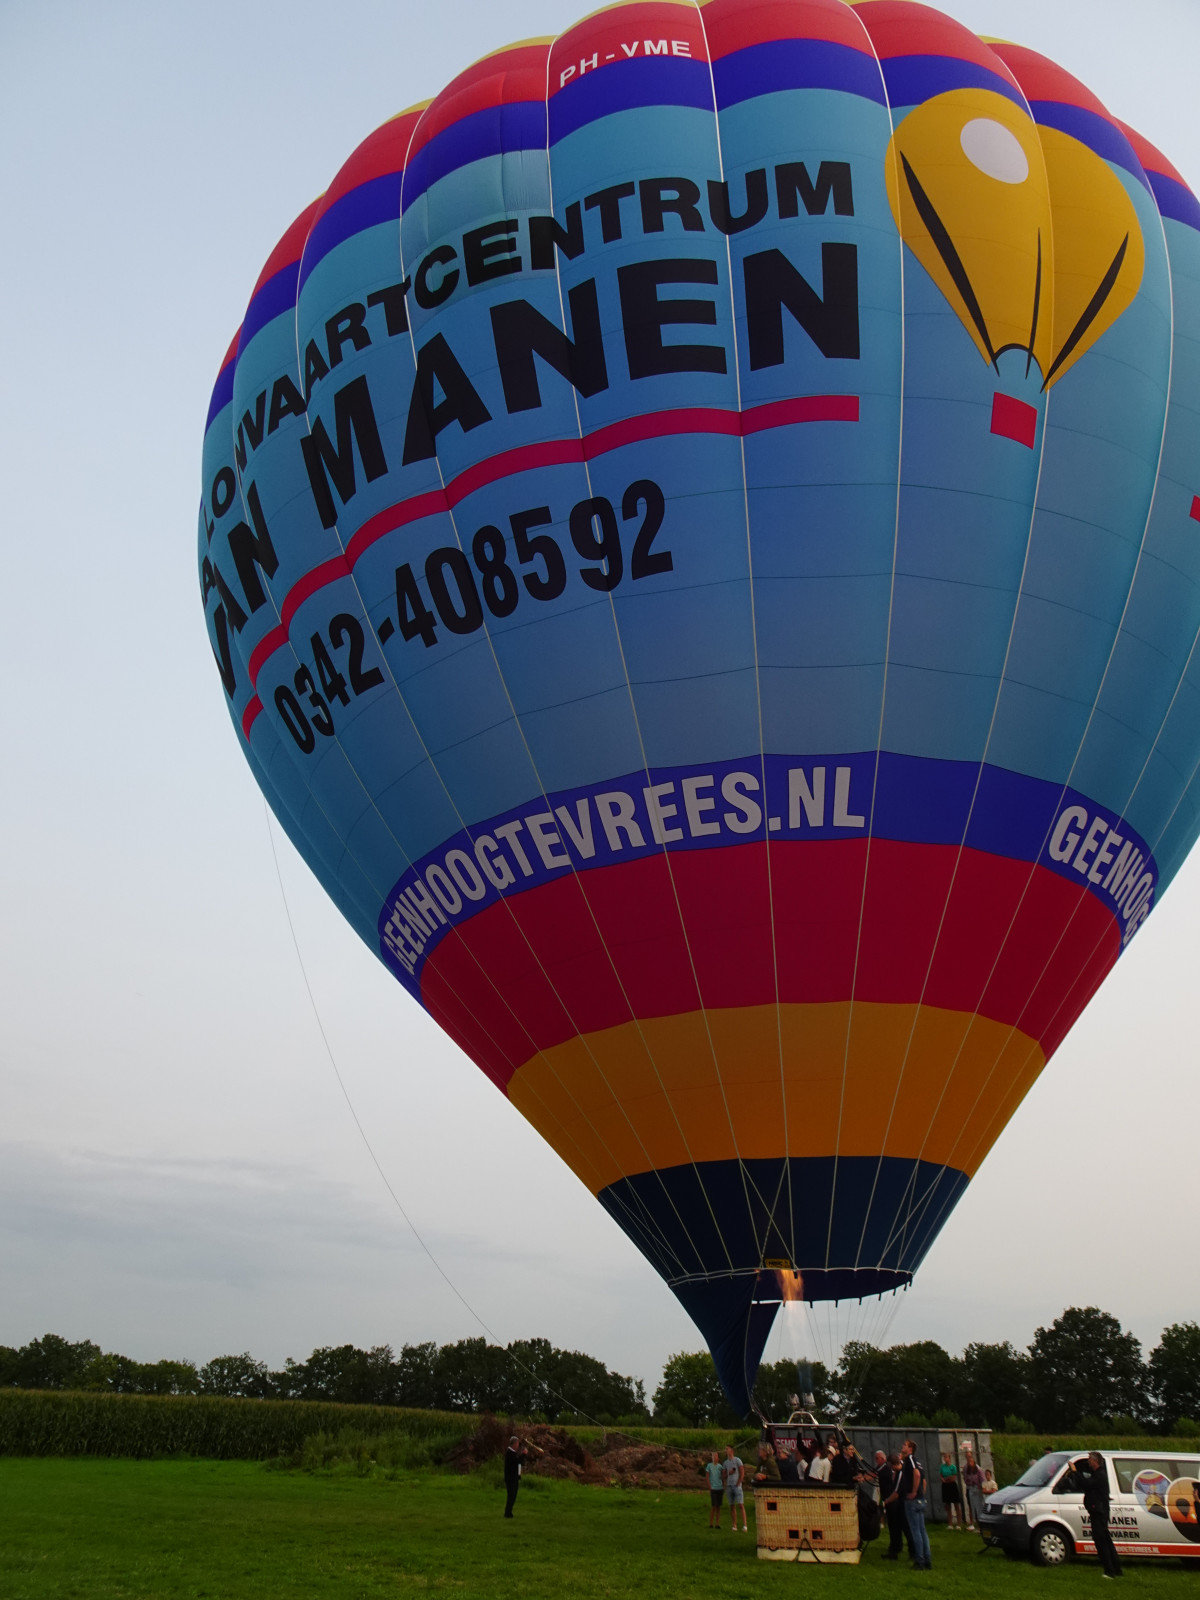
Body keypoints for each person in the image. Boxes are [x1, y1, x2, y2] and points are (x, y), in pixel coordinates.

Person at [1073, 1453, 1122, 1578]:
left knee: (1101, 1541)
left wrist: (1075, 1472)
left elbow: (1086, 1483)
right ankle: (1116, 1569)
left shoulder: (1100, 1475)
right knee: (1106, 1540)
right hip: (1099, 1511)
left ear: (1095, 1461)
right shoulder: (1097, 1474)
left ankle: (1109, 1571)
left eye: (1090, 1459)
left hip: (1099, 1512)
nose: (1088, 1462)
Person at [901, 1438, 932, 1569]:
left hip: (912, 1500)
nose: (902, 1446)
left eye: (905, 1445)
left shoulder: (911, 1460)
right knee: (922, 1530)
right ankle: (927, 1559)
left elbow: (917, 1475)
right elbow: (924, 1481)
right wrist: (921, 1493)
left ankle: (919, 1560)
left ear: (910, 1449)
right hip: (920, 1500)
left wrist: (914, 1492)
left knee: (916, 1531)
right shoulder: (918, 1461)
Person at [879, 1451, 915, 1561]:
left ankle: (912, 1552)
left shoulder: (900, 1474)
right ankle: (895, 1550)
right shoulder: (902, 1470)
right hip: (902, 1504)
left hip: (902, 1505)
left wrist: (886, 1501)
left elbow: (896, 1493)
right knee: (898, 1528)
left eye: (890, 1466)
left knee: (905, 1529)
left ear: (893, 1465)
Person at [723, 1444, 748, 1532]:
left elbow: (742, 1472)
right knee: (732, 1506)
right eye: (725, 1449)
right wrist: (728, 1473)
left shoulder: (737, 1460)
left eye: (727, 1449)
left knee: (740, 1505)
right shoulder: (725, 1463)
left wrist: (738, 1483)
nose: (726, 1450)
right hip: (729, 1486)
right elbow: (723, 1475)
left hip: (737, 1486)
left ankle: (745, 1525)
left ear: (732, 1450)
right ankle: (734, 1525)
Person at [503, 1436, 528, 1518]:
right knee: (511, 1495)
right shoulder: (510, 1453)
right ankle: (507, 1513)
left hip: (514, 1477)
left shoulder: (513, 1453)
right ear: (513, 1444)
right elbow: (516, 1462)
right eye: (517, 1443)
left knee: (513, 1495)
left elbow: (519, 1462)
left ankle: (509, 1511)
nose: (518, 1445)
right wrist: (523, 1454)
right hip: (510, 1478)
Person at [700, 1450, 725, 1528]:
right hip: (713, 1488)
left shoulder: (720, 1466)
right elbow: (707, 1476)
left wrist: (723, 1485)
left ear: (718, 1458)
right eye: (713, 1456)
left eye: (715, 1456)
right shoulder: (709, 1466)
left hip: (720, 1488)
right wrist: (709, 1486)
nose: (714, 1457)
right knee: (713, 1506)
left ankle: (717, 1524)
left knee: (718, 1507)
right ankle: (711, 1523)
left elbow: (723, 1477)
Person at [941, 1450, 964, 1528]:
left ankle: (959, 1524)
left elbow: (953, 1477)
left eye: (946, 1457)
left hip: (952, 1486)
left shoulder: (953, 1467)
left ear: (949, 1458)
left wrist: (947, 1478)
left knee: (956, 1504)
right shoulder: (942, 1467)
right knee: (948, 1505)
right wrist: (944, 1479)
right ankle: (950, 1524)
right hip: (945, 1486)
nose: (945, 1459)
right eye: (944, 1457)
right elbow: (941, 1475)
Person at [963, 1451, 985, 1530]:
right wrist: (968, 1483)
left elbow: (982, 1479)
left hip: (977, 1488)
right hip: (970, 1488)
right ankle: (973, 1523)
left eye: (970, 1457)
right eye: (967, 1457)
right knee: (972, 1506)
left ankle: (980, 1525)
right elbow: (965, 1478)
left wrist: (981, 1487)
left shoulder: (978, 1468)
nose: (969, 1459)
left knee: (979, 1506)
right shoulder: (966, 1468)